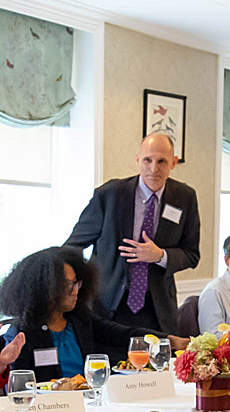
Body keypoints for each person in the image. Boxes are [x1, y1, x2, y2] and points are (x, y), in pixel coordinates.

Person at [65, 131, 202, 342]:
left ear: (173, 163)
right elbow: (72, 246)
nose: (154, 168)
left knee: (157, 372)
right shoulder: (109, 195)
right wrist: (75, 286)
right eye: (148, 160)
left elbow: (192, 254)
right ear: (138, 159)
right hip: (108, 306)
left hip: (156, 310)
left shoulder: (185, 197)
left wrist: (161, 255)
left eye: (162, 161)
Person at [0, 246, 121, 381]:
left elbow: (120, 335)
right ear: (45, 288)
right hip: (47, 401)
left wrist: (143, 337)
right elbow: (18, 385)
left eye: (76, 283)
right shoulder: (21, 332)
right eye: (68, 284)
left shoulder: (79, 317)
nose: (75, 291)